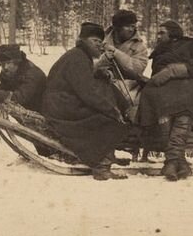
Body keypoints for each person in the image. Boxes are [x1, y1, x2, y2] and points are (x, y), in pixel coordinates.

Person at [41, 22, 130, 181]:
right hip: (62, 107)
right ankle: (102, 166)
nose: (99, 45)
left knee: (106, 99)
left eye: (100, 42)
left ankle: (104, 155)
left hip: (62, 103)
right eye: (94, 41)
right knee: (107, 120)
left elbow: (82, 82)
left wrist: (100, 74)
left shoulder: (79, 55)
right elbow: (87, 92)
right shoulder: (78, 58)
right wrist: (111, 110)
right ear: (83, 40)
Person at [136, 20, 193, 181]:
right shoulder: (159, 52)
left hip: (189, 88)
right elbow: (157, 74)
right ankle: (179, 161)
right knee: (157, 103)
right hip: (165, 92)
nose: (158, 36)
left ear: (174, 34)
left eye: (162, 32)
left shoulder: (192, 46)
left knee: (185, 111)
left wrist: (172, 70)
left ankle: (171, 161)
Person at [0, 44, 50, 156]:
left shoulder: (32, 74)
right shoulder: (11, 72)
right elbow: (5, 91)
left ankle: (48, 152)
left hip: (45, 118)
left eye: (8, 63)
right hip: (31, 117)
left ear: (17, 61)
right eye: (2, 65)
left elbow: (19, 98)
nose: (4, 68)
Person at [95, 9, 148, 105]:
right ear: (117, 27)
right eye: (127, 26)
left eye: (133, 26)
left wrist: (116, 53)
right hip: (99, 82)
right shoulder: (99, 40)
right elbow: (87, 64)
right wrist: (104, 60)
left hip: (128, 86)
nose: (131, 29)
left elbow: (137, 70)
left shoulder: (139, 46)